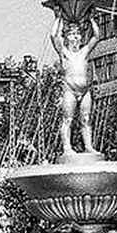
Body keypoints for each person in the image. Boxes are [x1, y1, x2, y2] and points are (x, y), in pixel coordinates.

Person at [50, 10, 101, 156]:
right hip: (70, 90)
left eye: (78, 34)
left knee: (86, 119)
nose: (75, 37)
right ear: (66, 37)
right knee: (68, 119)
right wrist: (58, 18)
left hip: (85, 91)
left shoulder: (84, 52)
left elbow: (96, 37)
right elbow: (54, 36)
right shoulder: (64, 53)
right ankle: (67, 148)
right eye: (72, 34)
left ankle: (89, 146)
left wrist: (91, 19)